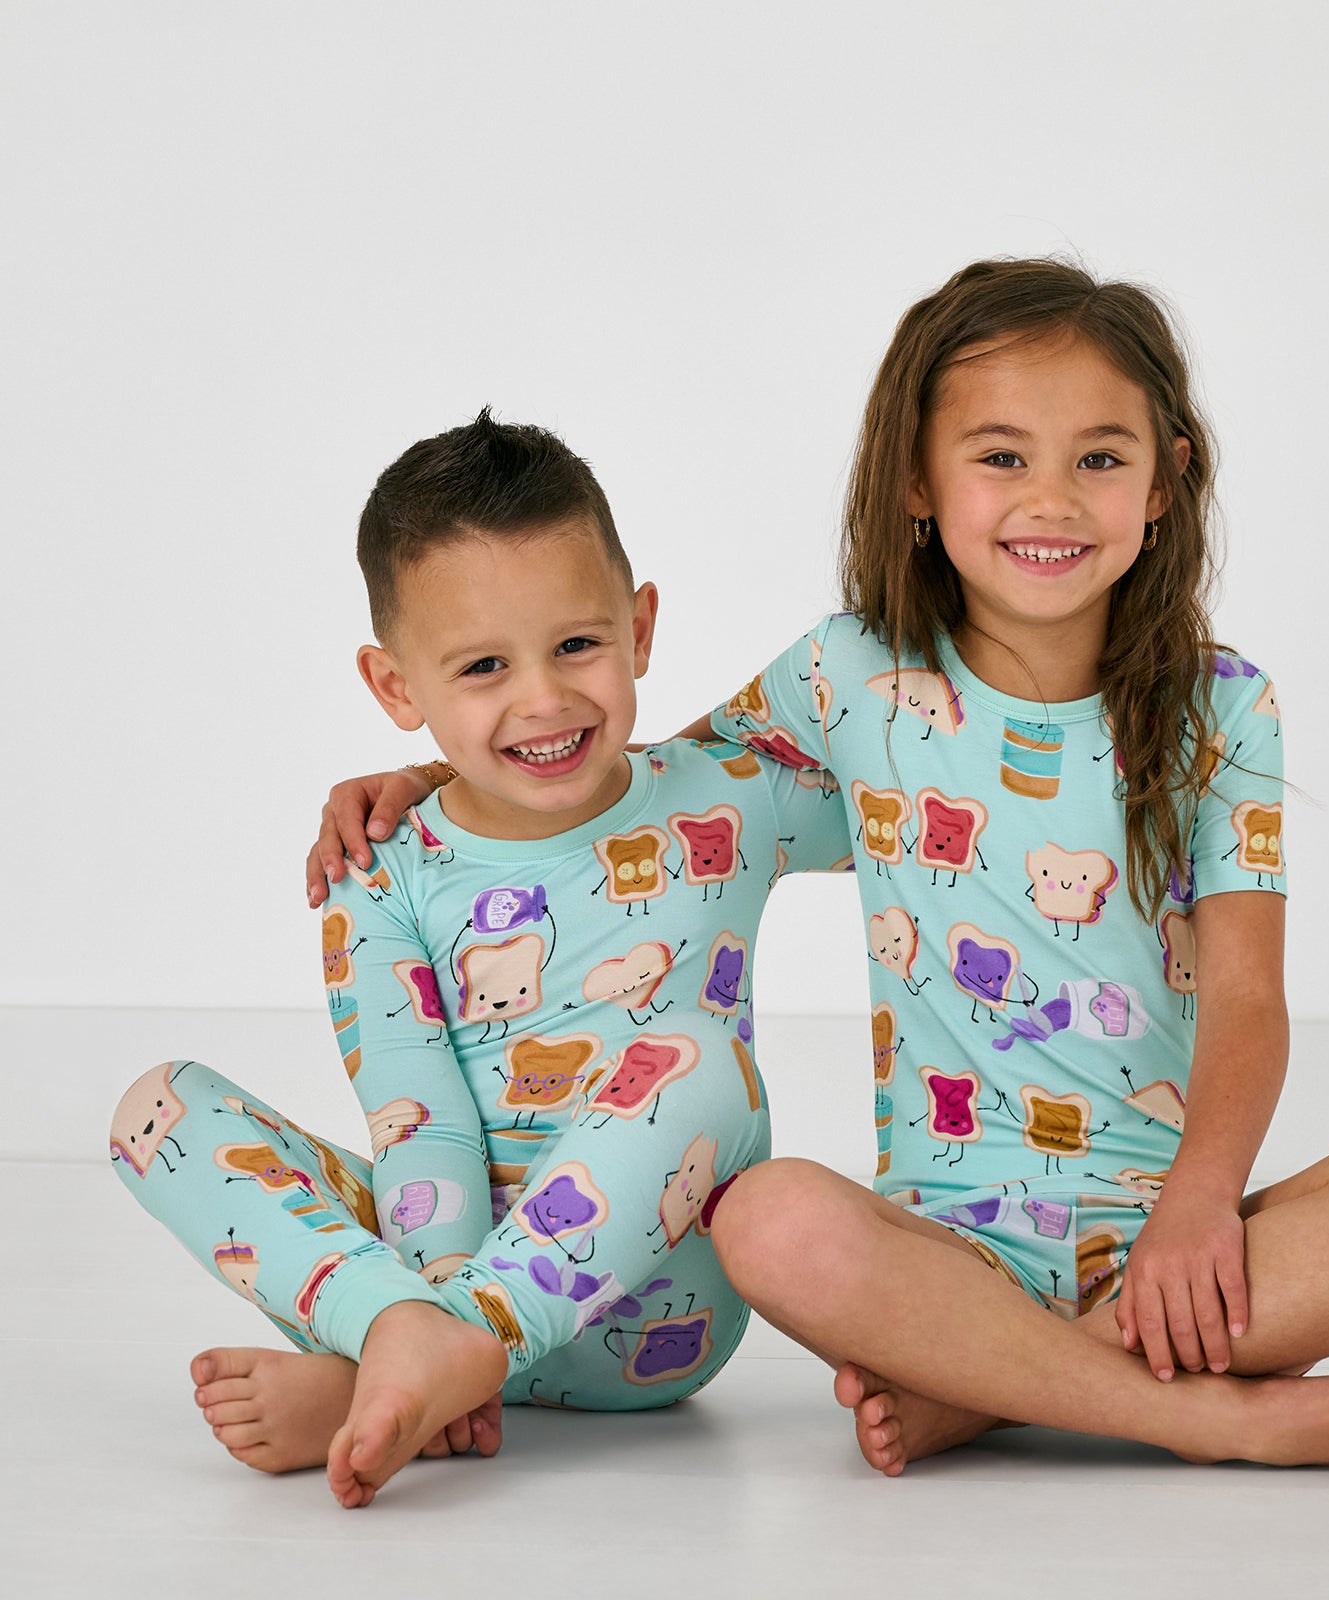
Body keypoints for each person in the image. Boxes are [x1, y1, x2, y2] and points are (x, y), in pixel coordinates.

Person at [308, 259, 1329, 1478]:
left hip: (1174, 1240)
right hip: (944, 1264)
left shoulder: (1221, 708)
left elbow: (1247, 997)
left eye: (1099, 457)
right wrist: (433, 780)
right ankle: (1223, 1417)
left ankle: (991, 1395)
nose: (1051, 499)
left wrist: (1200, 1204)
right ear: (918, 481)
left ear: (1165, 480)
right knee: (769, 1219)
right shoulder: (851, 678)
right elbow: (644, 788)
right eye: (1001, 456)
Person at [111, 412, 847, 1508]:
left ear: (640, 628)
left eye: (577, 645)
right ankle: (414, 1350)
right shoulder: (380, 872)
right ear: (396, 687)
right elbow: (424, 1126)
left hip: (655, 1315)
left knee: (700, 1058)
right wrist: (436, 1294)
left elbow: (919, 807)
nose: (542, 698)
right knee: (155, 1108)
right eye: (484, 665)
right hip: (428, 1269)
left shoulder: (731, 797)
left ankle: (413, 1367)